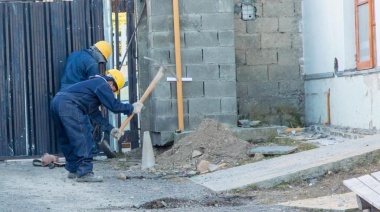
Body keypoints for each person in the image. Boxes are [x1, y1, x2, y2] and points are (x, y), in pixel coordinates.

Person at [51, 69, 143, 182]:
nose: (112, 94)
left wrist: (111, 129)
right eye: (114, 90)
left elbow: (95, 114)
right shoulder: (102, 84)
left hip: (57, 102)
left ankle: (73, 169)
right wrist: (131, 108)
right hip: (69, 105)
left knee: (66, 138)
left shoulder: (92, 85)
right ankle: (84, 172)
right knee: (83, 137)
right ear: (111, 83)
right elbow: (114, 106)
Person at [60, 40, 112, 154]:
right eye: (102, 60)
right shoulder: (92, 64)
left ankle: (75, 152)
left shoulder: (74, 55)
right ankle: (90, 151)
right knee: (84, 125)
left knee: (71, 125)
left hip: (62, 95)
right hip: (76, 97)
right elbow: (93, 86)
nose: (100, 62)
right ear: (100, 54)